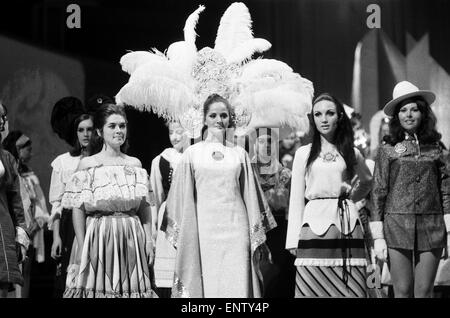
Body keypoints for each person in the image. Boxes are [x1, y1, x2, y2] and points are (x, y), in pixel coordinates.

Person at [163, 93, 276, 298]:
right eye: (213, 115)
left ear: (230, 119)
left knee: (237, 285)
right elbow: (182, 197)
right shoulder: (192, 153)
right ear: (204, 118)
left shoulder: (239, 154)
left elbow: (250, 195)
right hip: (204, 232)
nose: (219, 120)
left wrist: (256, 234)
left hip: (236, 230)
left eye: (223, 115)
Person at [61, 103, 158, 298]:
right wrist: (82, 245)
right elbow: (78, 209)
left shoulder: (135, 164)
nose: (118, 130)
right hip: (100, 233)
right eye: (112, 126)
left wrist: (148, 238)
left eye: (122, 126)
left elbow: (144, 206)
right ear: (99, 131)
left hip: (130, 235)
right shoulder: (88, 164)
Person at [286, 93, 373, 298]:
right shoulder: (303, 153)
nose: (323, 119)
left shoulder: (352, 152)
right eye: (318, 114)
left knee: (350, 287)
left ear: (339, 117)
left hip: (346, 226)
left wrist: (351, 198)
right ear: (313, 119)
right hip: (313, 226)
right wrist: (292, 239)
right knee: (312, 286)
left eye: (329, 113)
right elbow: (296, 197)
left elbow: (368, 181)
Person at [370, 81, 450, 298]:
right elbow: (378, 191)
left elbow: (446, 190)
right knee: (402, 291)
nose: (409, 114)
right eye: (403, 110)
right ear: (396, 116)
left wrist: (449, 229)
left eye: (414, 109)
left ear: (423, 113)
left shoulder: (436, 149)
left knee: (424, 292)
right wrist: (377, 236)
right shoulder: (388, 149)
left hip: (432, 226)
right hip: (396, 226)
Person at [48, 96, 95, 297]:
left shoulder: (100, 160)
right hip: (68, 227)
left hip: (94, 222)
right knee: (69, 280)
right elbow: (57, 203)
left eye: (89, 129)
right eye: (81, 130)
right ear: (75, 133)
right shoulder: (62, 162)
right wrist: (56, 236)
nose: (85, 134)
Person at [2, 131, 49, 297]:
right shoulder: (9, 170)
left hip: (30, 228)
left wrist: (37, 222)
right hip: (12, 227)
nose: (30, 150)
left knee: (25, 272)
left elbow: (39, 204)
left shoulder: (30, 176)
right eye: (25, 147)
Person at [252, 128, 295, 297]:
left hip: (279, 230)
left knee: (278, 276)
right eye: (261, 141)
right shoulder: (247, 171)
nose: (266, 146)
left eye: (269, 141)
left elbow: (291, 205)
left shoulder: (285, 173)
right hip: (255, 229)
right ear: (255, 145)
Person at [150, 120, 188, 298]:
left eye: (179, 131)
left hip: (190, 215)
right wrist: (153, 227)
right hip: (168, 216)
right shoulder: (160, 160)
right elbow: (154, 196)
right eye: (171, 132)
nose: (175, 136)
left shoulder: (196, 156)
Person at [0, 102, 29, 298]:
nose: (2, 121)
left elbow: (16, 200)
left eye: (4, 116)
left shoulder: (7, 158)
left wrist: (21, 235)